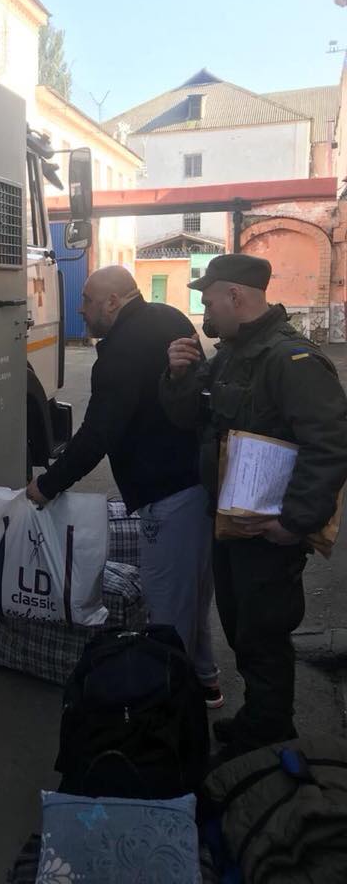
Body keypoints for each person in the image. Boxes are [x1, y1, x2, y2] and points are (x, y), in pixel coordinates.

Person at [161, 253, 347, 757]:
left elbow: (330, 446)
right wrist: (178, 376)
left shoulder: (291, 360)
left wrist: (296, 522)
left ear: (235, 296)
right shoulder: (230, 356)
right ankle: (258, 722)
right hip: (232, 522)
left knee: (264, 636)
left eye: (208, 300)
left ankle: (270, 740)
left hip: (270, 532)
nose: (204, 310)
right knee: (243, 631)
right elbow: (187, 418)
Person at [26, 266, 222, 707]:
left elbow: (98, 433)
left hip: (168, 495)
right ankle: (205, 681)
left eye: (87, 300)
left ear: (113, 302)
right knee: (192, 594)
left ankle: (169, 714)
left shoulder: (120, 352)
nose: (81, 309)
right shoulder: (170, 317)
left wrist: (48, 485)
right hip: (198, 484)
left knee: (168, 612)